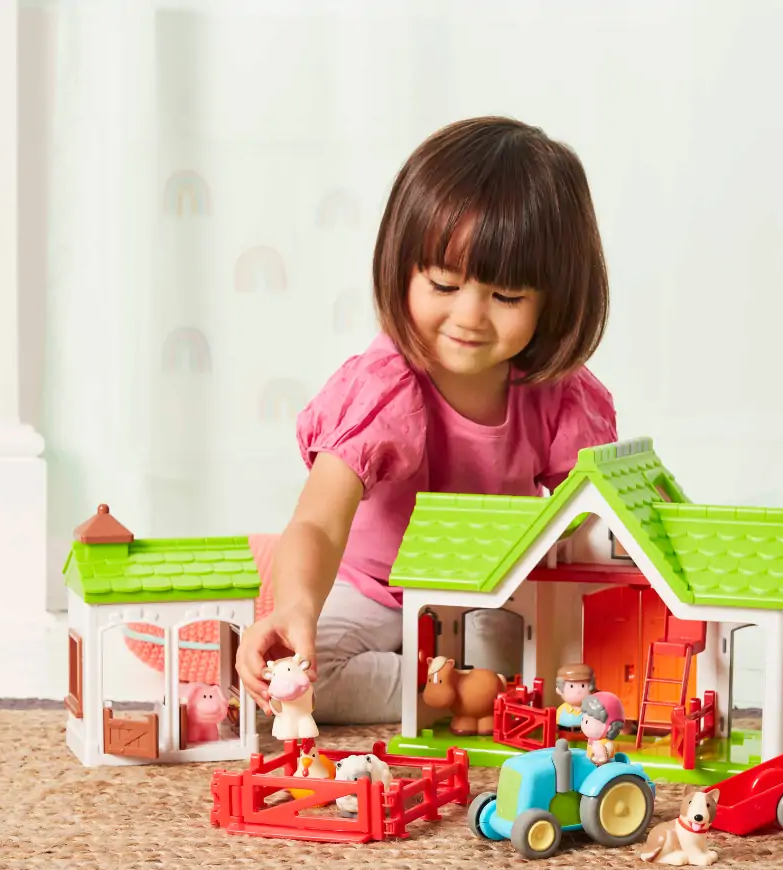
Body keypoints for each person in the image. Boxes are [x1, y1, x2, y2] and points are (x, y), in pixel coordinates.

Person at [235, 116, 618, 724]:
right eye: (443, 283)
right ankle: (454, 688)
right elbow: (317, 522)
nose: (470, 315)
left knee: (564, 681)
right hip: (371, 590)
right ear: (404, 268)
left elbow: (596, 520)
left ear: (555, 299)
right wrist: (296, 610)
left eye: (508, 297)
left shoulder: (558, 396)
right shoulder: (384, 387)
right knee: (293, 684)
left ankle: (462, 684)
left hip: (488, 595)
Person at [580, 691, 626, 765]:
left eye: (587, 721)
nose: (583, 724)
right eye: (583, 719)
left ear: (609, 727)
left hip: (603, 767)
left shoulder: (607, 744)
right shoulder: (592, 739)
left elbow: (603, 758)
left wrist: (601, 754)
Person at [555, 662, 595, 729]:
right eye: (571, 686)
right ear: (559, 690)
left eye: (583, 686)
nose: (578, 691)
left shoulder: (593, 709)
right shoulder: (561, 710)